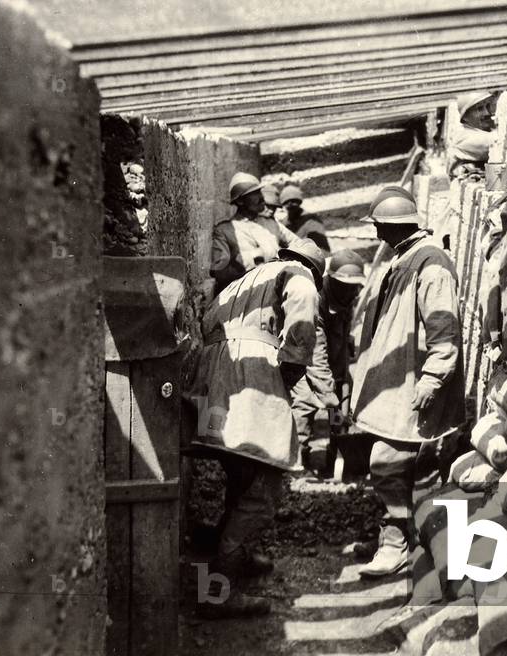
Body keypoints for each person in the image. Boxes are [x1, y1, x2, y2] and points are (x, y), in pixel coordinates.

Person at [189, 239, 326, 615]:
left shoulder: (246, 280)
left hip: (213, 384)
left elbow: (207, 323)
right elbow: (300, 329)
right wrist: (289, 373)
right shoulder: (298, 276)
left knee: (242, 474)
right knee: (261, 492)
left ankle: (238, 559)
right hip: (250, 381)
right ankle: (216, 595)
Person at [351, 186, 464, 577]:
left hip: (414, 384)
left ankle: (397, 545)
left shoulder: (431, 265)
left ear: (393, 226)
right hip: (395, 384)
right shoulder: (404, 258)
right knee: (396, 467)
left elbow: (443, 329)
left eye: (379, 226)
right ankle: (396, 533)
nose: (376, 234)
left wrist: (432, 379)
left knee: (386, 464)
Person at [291, 249, 367, 474]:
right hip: (306, 365)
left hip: (335, 365)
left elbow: (342, 333)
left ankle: (334, 460)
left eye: (354, 286)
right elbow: (316, 352)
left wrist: (341, 375)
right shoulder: (317, 299)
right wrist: (327, 391)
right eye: (345, 285)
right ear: (332, 280)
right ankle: (297, 465)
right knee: (303, 408)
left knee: (339, 417)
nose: (351, 291)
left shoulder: (349, 295)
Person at [211, 172, 302, 294]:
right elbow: (220, 272)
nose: (262, 197)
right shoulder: (224, 230)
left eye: (260, 191)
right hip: (247, 293)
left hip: (278, 284)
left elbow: (299, 244)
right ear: (240, 202)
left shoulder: (271, 223)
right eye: (254, 194)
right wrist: (253, 258)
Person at [449, 90, 498, 180]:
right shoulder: (462, 137)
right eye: (479, 109)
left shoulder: (483, 131)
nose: (487, 113)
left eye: (487, 107)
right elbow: (498, 142)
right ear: (465, 117)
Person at [280, 184, 330, 252]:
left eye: (293, 201)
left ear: (299, 202)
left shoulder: (311, 220)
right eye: (286, 202)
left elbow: (321, 247)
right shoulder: (283, 223)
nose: (290, 204)